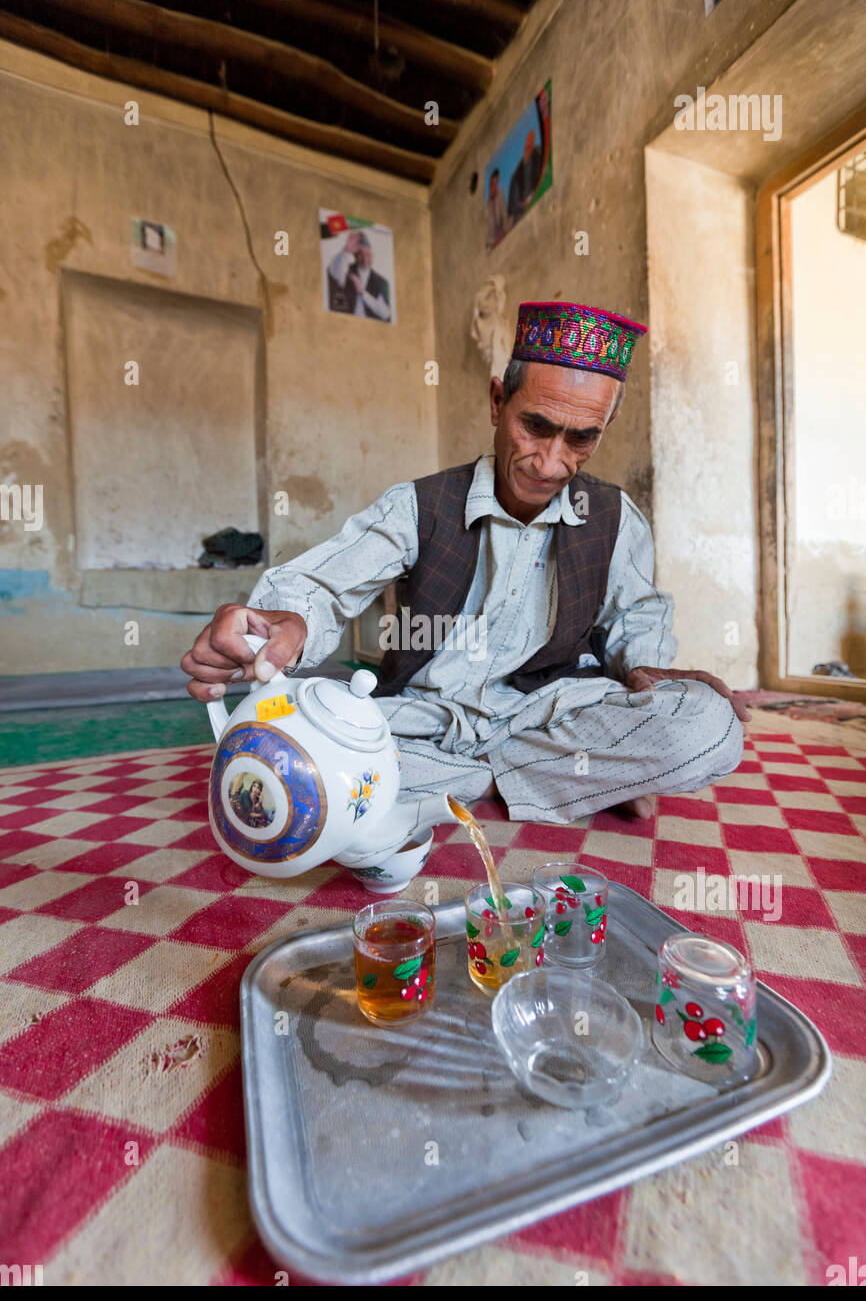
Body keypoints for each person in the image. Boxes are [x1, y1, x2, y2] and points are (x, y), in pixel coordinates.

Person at [182, 301, 748, 823]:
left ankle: (454, 786)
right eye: (537, 427)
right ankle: (552, 784)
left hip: (549, 715)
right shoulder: (419, 505)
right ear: (499, 402)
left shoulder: (613, 516)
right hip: (423, 723)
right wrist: (289, 621)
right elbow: (322, 586)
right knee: (278, 743)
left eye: (580, 439)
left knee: (707, 727)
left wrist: (643, 667)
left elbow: (637, 618)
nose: (551, 464)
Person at [326, 229, 391, 321]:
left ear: (373, 255)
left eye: (368, 255)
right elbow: (334, 273)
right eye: (360, 254)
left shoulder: (381, 281)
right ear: (354, 255)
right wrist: (346, 251)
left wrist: (362, 292)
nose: (364, 259)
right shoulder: (346, 270)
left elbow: (385, 313)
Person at [507, 129, 543, 225]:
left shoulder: (538, 158)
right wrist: (523, 204)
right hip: (522, 211)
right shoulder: (516, 176)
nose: (529, 148)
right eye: (527, 146)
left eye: (531, 145)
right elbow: (513, 205)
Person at [485, 168, 510, 249]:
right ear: (490, 186)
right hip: (493, 240)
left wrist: (505, 232)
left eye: (496, 183)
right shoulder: (486, 207)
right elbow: (486, 233)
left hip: (503, 232)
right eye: (493, 184)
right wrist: (494, 241)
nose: (495, 187)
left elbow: (504, 214)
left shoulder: (500, 194)